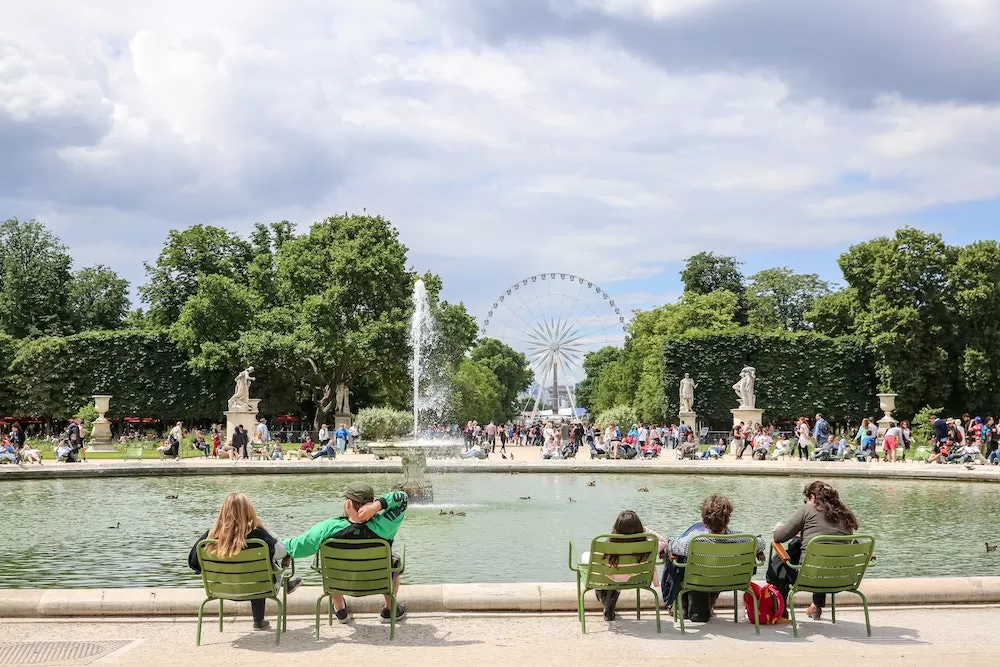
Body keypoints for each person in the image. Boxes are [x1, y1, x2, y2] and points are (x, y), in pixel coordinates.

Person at [284, 482, 408, 624]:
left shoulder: (328, 528)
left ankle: (340, 609)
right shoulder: (385, 525)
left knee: (330, 565)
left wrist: (268, 538)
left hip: (342, 580)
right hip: (376, 580)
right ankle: (390, 609)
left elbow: (295, 547)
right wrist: (377, 506)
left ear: (348, 503)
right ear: (370, 503)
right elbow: (403, 498)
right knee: (394, 561)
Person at [188, 493, 301, 632]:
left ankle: (260, 620)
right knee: (260, 572)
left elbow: (193, 562)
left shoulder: (209, 537)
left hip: (222, 589)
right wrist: (264, 528)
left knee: (255, 571)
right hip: (259, 588)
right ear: (249, 511)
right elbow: (282, 551)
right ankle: (259, 619)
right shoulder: (258, 536)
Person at [663, 495, 763, 622]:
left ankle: (678, 603)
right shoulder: (744, 538)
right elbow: (761, 544)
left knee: (674, 556)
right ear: (728, 519)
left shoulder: (694, 540)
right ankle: (702, 602)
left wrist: (670, 542)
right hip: (730, 580)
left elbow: (672, 545)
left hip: (700, 578)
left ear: (705, 521)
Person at [770, 481, 859, 621]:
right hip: (841, 578)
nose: (806, 502)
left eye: (806, 499)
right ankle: (816, 605)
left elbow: (779, 537)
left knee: (781, 561)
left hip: (809, 577)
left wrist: (779, 528)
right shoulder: (846, 515)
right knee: (822, 557)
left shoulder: (807, 509)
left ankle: (780, 608)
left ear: (812, 496)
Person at [587, 510, 665, 621]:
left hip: (610, 576)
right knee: (621, 572)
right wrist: (646, 530)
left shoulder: (610, 541)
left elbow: (600, 560)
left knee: (587, 557)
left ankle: (603, 594)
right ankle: (610, 598)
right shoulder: (647, 543)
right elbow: (663, 541)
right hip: (637, 577)